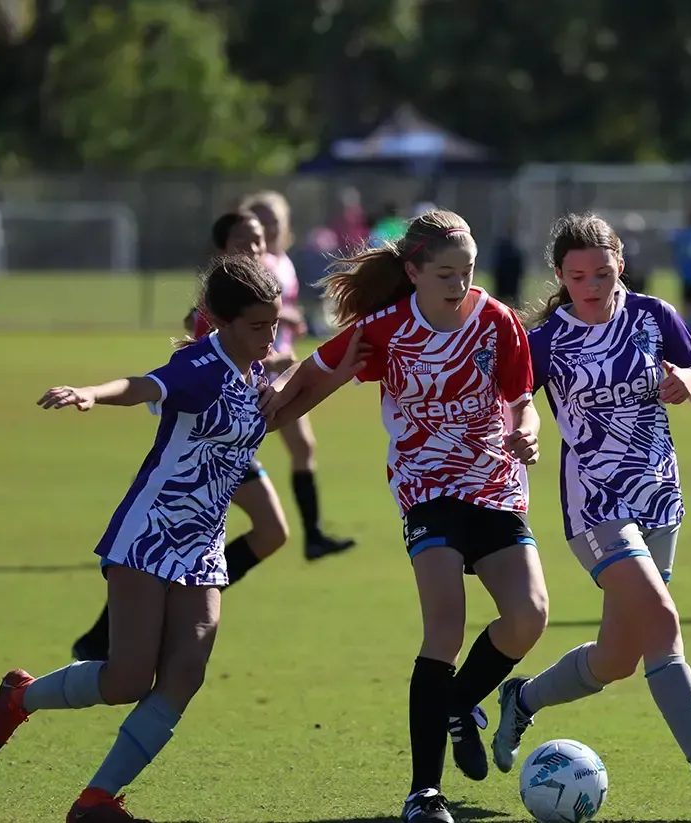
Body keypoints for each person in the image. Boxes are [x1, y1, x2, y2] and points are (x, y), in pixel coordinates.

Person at [0, 255, 368, 823]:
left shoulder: (252, 372)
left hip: (203, 543)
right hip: (149, 534)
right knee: (127, 678)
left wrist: (339, 371)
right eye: (257, 327)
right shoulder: (200, 366)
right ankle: (20, 697)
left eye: (273, 325)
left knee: (186, 672)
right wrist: (90, 392)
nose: (269, 337)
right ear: (221, 322)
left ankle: (96, 800)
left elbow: (273, 415)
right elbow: (142, 385)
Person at [263, 210, 550, 823]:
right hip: (426, 488)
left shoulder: (496, 320)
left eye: (467, 270)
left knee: (529, 617)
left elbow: (523, 401)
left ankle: (458, 705)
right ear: (413, 271)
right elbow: (312, 376)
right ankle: (424, 793)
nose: (459, 282)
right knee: (444, 630)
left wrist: (526, 432)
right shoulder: (388, 327)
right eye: (445, 272)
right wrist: (265, 418)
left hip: (494, 484)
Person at [488, 213, 691, 811]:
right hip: (595, 502)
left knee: (617, 656)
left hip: (659, 495)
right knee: (661, 615)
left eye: (603, 271)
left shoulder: (653, 316)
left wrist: (690, 383)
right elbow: (516, 403)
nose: (593, 283)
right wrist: (524, 431)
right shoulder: (545, 340)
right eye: (578, 274)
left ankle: (523, 700)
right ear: (560, 275)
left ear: (620, 265)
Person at [70, 211, 292, 662]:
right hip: (214, 435)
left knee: (271, 532)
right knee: (265, 530)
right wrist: (92, 392)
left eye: (259, 240)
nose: (253, 248)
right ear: (221, 248)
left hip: (236, 435)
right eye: (242, 240)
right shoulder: (220, 310)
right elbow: (164, 380)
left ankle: (169, 601)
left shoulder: (263, 300)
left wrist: (283, 364)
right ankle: (125, 622)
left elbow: (253, 366)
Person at [242, 190, 357, 561]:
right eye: (261, 219)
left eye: (274, 219)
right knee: (234, 448)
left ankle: (312, 535)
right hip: (261, 370)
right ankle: (312, 535)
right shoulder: (256, 264)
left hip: (282, 366)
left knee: (300, 447)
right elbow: (249, 312)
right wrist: (286, 316)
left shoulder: (282, 260)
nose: (269, 226)